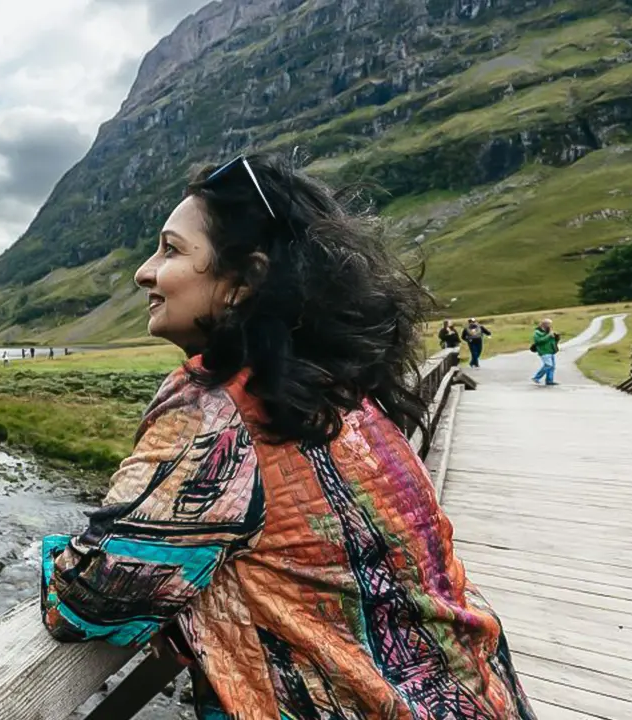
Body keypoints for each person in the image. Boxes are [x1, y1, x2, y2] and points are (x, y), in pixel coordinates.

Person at [39, 154, 533, 719]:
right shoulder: (342, 391)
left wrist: (174, 585)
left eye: (171, 250)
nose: (144, 272)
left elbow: (86, 597)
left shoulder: (216, 404)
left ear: (244, 282)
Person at [531, 318, 560, 386]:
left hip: (551, 351)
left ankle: (549, 381)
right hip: (544, 351)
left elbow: (552, 341)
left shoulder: (549, 331)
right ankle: (536, 378)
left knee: (552, 367)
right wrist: (549, 335)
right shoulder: (537, 332)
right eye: (549, 324)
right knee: (548, 365)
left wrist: (556, 337)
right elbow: (539, 341)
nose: (550, 325)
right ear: (544, 324)